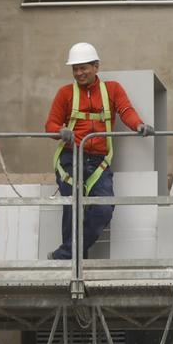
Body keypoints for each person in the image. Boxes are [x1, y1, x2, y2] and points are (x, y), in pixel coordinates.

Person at [45, 42, 152, 260]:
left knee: (104, 209)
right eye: (75, 69)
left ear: (96, 66)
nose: (79, 73)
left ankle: (67, 255)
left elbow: (126, 110)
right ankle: (75, 264)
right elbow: (50, 125)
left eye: (83, 67)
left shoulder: (112, 89)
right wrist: (61, 131)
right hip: (70, 159)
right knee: (73, 207)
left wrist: (138, 125)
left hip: (99, 162)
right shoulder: (65, 93)